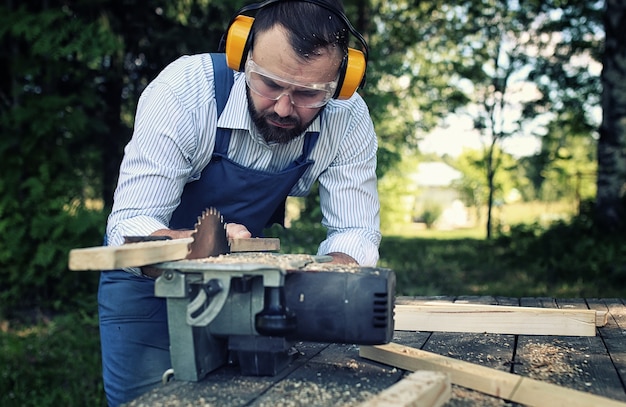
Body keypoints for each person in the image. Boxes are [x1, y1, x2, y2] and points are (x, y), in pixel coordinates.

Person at [97, 0, 380, 405]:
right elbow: (131, 218)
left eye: (308, 93)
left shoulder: (347, 117)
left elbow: (355, 230)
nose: (284, 107)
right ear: (241, 55)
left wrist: (320, 280)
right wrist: (194, 247)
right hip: (148, 284)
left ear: (342, 81)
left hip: (247, 289)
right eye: (269, 84)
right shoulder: (186, 90)